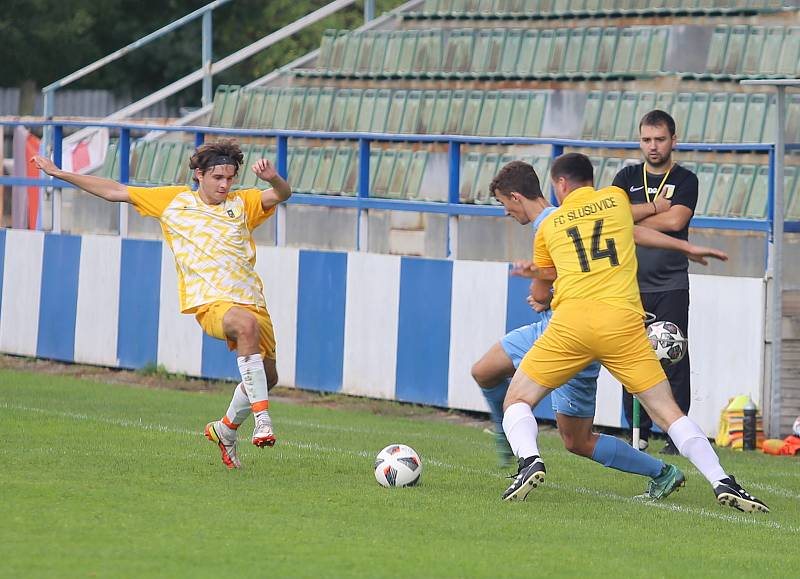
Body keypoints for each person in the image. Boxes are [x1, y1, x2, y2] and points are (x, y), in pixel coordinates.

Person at [498, 152, 769, 514]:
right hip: (623, 323)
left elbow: (541, 294)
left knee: (517, 399)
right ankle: (722, 479)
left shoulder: (551, 224)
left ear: (560, 184)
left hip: (573, 324)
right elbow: (640, 226)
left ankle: (530, 460)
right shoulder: (615, 200)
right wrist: (686, 246)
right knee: (668, 412)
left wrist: (536, 287)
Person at [33, 140, 291, 470]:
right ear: (199, 175)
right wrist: (59, 173)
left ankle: (225, 429)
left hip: (254, 302)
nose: (225, 185)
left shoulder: (243, 203)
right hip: (210, 304)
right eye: (218, 178)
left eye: (230, 178)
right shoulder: (173, 201)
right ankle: (263, 421)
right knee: (245, 326)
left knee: (268, 378)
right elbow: (115, 191)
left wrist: (273, 179)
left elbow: (283, 194)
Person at [473, 160, 684, 501]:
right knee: (484, 370)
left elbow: (550, 287)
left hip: (570, 336)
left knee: (577, 441)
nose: (505, 213)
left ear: (514, 197)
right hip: (552, 329)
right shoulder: (567, 216)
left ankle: (661, 471)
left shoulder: (551, 225)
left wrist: (540, 291)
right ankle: (511, 438)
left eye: (503, 204)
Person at [612, 110, 697, 454]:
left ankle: (677, 433)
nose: (653, 146)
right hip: (629, 285)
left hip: (671, 283)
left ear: (673, 140)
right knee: (628, 356)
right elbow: (614, 214)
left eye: (660, 139)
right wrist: (653, 206)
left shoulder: (687, 179)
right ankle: (638, 431)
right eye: (646, 139)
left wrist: (636, 218)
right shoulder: (627, 175)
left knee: (673, 355)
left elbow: (677, 219)